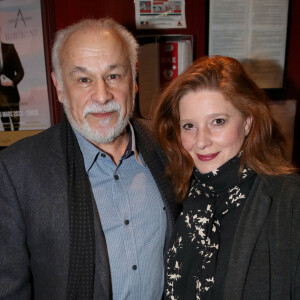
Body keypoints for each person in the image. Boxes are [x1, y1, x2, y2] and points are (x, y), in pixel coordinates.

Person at [0, 18, 179, 299]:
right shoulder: (17, 171)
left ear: (133, 80)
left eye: (113, 76)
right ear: (59, 87)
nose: (102, 95)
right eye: (84, 79)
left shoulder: (169, 149)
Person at [153, 55, 300, 299]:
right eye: (189, 126)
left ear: (247, 123)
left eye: (217, 122)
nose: (201, 141)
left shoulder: (289, 201)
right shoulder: (178, 194)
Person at [0, 25, 24, 131]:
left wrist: (12, 82)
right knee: (6, 129)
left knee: (16, 128)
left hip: (12, 95)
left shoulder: (9, 48)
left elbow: (20, 71)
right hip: (0, 98)